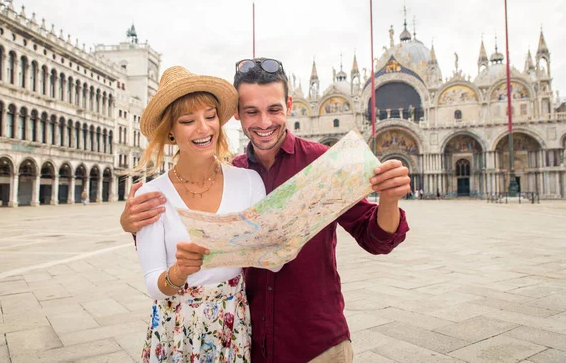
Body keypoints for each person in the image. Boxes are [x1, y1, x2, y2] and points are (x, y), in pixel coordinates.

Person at [122, 58, 412, 363]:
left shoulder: (324, 165)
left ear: (289, 104)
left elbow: (375, 238)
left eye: (274, 109)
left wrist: (389, 199)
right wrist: (133, 224)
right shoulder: (236, 172)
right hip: (249, 344)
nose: (264, 122)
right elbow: (172, 248)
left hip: (317, 345)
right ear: (236, 114)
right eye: (251, 112)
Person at [132, 66, 273, 362]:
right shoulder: (151, 196)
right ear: (170, 130)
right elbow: (153, 283)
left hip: (232, 323)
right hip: (177, 327)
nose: (203, 128)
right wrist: (178, 273)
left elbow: (267, 253)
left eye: (210, 117)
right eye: (187, 120)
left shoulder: (249, 182)